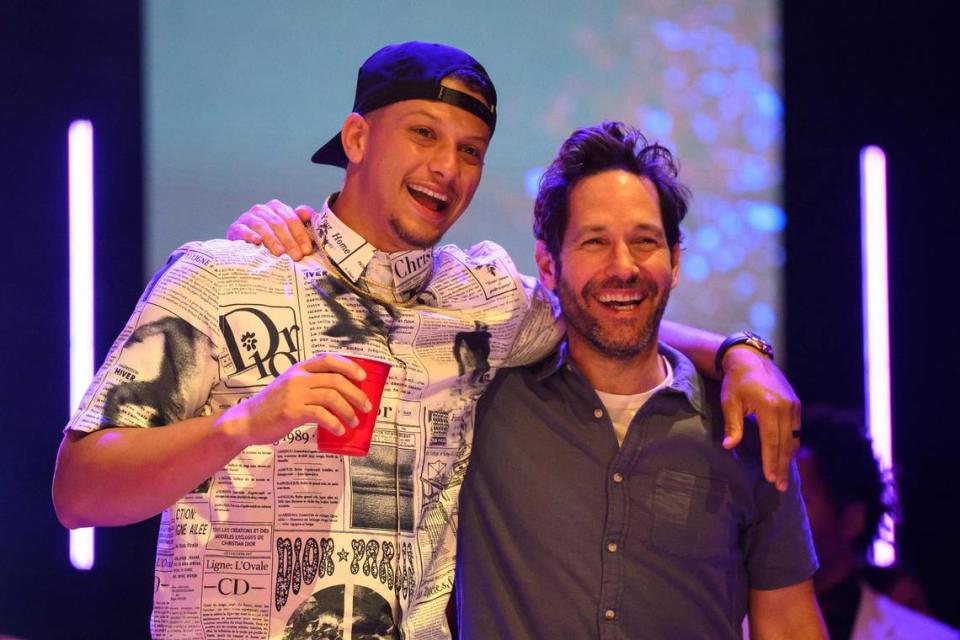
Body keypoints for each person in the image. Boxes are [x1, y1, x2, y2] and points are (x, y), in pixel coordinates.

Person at [53, 42, 798, 639]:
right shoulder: (223, 277)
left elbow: (612, 305)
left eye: (471, 149)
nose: (448, 167)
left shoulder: (483, 300)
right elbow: (79, 492)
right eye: (424, 134)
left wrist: (740, 353)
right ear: (355, 137)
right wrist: (248, 421)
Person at [455, 121, 826, 639]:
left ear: (675, 261)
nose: (623, 267)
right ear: (546, 264)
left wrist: (739, 354)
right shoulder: (483, 395)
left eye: (645, 242)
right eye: (595, 242)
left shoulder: (741, 423)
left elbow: (788, 622)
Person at [797, 407, 959, 640]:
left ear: (852, 520)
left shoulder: (927, 637)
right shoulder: (732, 626)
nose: (776, 515)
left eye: (798, 500)